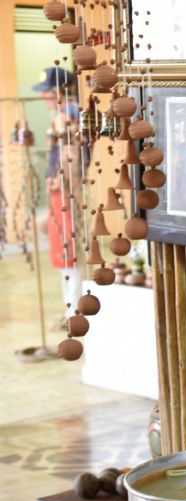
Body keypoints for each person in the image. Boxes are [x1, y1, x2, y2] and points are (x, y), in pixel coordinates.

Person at [34, 66, 80, 316]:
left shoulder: (66, 115)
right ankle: (71, 307)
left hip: (65, 189)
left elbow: (70, 153)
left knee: (67, 248)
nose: (44, 97)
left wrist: (62, 179)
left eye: (48, 91)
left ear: (60, 91)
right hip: (61, 189)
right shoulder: (67, 113)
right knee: (63, 247)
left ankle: (74, 308)